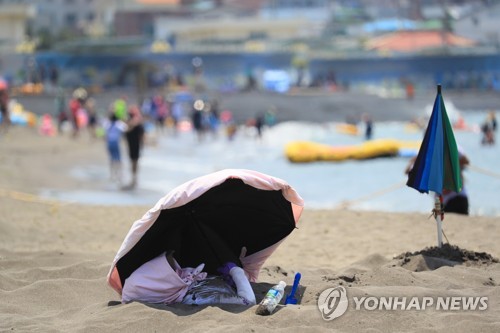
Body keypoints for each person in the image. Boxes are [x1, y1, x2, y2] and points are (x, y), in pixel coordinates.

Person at [121, 252, 256, 306]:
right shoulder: (198, 298)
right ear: (161, 288)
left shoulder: (185, 285)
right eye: (173, 272)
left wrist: (224, 279)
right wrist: (236, 272)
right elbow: (248, 302)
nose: (181, 270)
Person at [405, 146, 470, 215]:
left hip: (457, 197)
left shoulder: (451, 146)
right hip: (443, 199)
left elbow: (466, 161)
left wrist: (452, 166)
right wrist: (416, 160)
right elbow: (408, 172)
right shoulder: (427, 151)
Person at [123, 105, 145, 190]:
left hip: (136, 145)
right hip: (131, 144)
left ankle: (134, 178)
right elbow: (126, 130)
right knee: (133, 161)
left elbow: (141, 134)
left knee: (135, 161)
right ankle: (133, 178)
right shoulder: (129, 122)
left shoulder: (137, 123)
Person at [104, 112, 127, 185]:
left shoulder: (108, 123)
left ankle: (112, 175)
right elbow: (125, 128)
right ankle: (119, 174)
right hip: (116, 142)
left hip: (109, 142)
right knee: (118, 159)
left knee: (111, 158)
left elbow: (104, 131)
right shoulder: (118, 123)